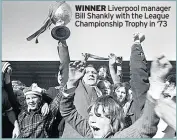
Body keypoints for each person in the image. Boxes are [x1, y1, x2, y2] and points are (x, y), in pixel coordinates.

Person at [60, 53, 172, 138]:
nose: (92, 120)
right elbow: (67, 111)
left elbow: (145, 128)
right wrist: (70, 83)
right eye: (91, 115)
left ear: (113, 121)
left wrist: (157, 82)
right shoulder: (90, 133)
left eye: (99, 116)